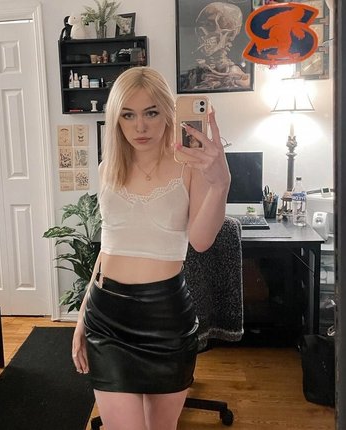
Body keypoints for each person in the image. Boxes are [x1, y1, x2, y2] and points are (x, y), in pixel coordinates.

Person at [72, 66, 231, 430]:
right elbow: (108, 248)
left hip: (165, 319)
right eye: (128, 115)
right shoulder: (108, 169)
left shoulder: (189, 167)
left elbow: (201, 240)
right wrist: (82, 316)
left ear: (168, 113)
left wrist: (220, 183)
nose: (140, 126)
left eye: (151, 113)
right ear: (116, 119)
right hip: (106, 319)